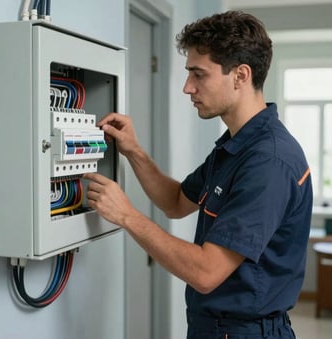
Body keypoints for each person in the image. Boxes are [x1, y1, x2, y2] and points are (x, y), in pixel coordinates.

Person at [83, 10, 313, 339]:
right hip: (215, 327)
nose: (187, 87)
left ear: (240, 75)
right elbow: (175, 202)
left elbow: (207, 272)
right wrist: (134, 151)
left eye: (198, 74)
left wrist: (128, 216)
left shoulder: (268, 161)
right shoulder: (235, 146)